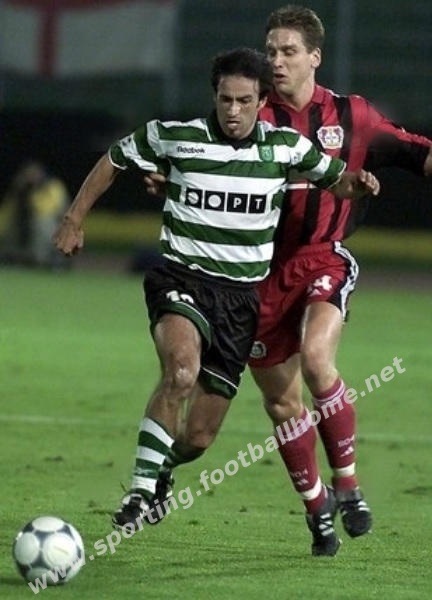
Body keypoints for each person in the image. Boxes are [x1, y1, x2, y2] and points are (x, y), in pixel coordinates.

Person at [52, 47, 379, 538]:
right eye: (225, 99)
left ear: (262, 101)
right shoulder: (177, 137)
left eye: (244, 101)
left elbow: (337, 182)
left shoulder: (285, 147)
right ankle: (139, 492)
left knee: (200, 437)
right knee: (180, 371)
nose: (233, 110)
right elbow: (115, 158)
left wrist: (360, 183)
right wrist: (74, 218)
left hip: (241, 300)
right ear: (214, 96)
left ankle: (162, 467)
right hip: (181, 281)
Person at [143, 6, 432, 557]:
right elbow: (199, 160)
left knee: (318, 361)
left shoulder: (352, 116)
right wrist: (169, 181)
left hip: (323, 258)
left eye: (288, 51)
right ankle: (315, 507)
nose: (276, 60)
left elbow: (418, 154)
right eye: (270, 50)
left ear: (314, 57)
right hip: (253, 280)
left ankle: (348, 486)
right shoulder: (251, 113)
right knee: (262, 412)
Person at [0, 160, 70, 268]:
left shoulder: (53, 186)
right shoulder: (23, 190)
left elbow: (57, 210)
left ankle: (45, 259)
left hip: (51, 225)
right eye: (28, 174)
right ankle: (15, 257)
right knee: (12, 226)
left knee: (42, 223)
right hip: (25, 225)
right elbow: (10, 208)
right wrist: (19, 188)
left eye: (34, 173)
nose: (31, 177)